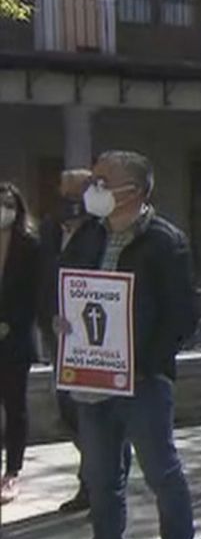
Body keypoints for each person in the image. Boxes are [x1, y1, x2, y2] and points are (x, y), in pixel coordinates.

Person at [56, 151, 197, 539]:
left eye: (101, 181)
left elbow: (181, 318)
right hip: (92, 381)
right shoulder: (87, 236)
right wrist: (62, 320)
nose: (92, 188)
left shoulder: (166, 242)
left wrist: (141, 362)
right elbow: (66, 287)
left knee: (162, 473)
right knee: (101, 478)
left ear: (131, 191)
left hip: (143, 382)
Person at [36, 169, 104, 513]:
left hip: (90, 339)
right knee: (68, 412)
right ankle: (92, 477)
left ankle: (97, 484)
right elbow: (42, 277)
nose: (67, 200)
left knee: (92, 412)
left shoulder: (100, 232)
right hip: (57, 335)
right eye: (63, 192)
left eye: (74, 192)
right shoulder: (49, 229)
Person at [0, 183, 40, 505]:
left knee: (15, 406)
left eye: (8, 203)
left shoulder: (29, 246)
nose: (3, 209)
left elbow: (34, 295)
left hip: (15, 338)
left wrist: (11, 324)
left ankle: (12, 472)